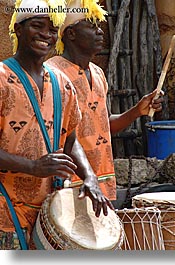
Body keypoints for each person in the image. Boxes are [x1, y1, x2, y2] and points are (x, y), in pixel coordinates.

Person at [0, 0, 113, 250]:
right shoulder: (1, 79)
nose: (45, 35)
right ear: (18, 29)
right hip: (5, 213)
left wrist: (90, 176)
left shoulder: (61, 83)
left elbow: (70, 139)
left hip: (49, 212)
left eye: (52, 30)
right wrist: (33, 166)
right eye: (37, 26)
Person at [46, 0, 164, 202]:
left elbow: (103, 126)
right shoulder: (52, 74)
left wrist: (137, 111)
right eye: (92, 26)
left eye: (99, 26)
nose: (100, 32)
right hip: (70, 185)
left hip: (102, 181)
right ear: (71, 34)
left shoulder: (98, 73)